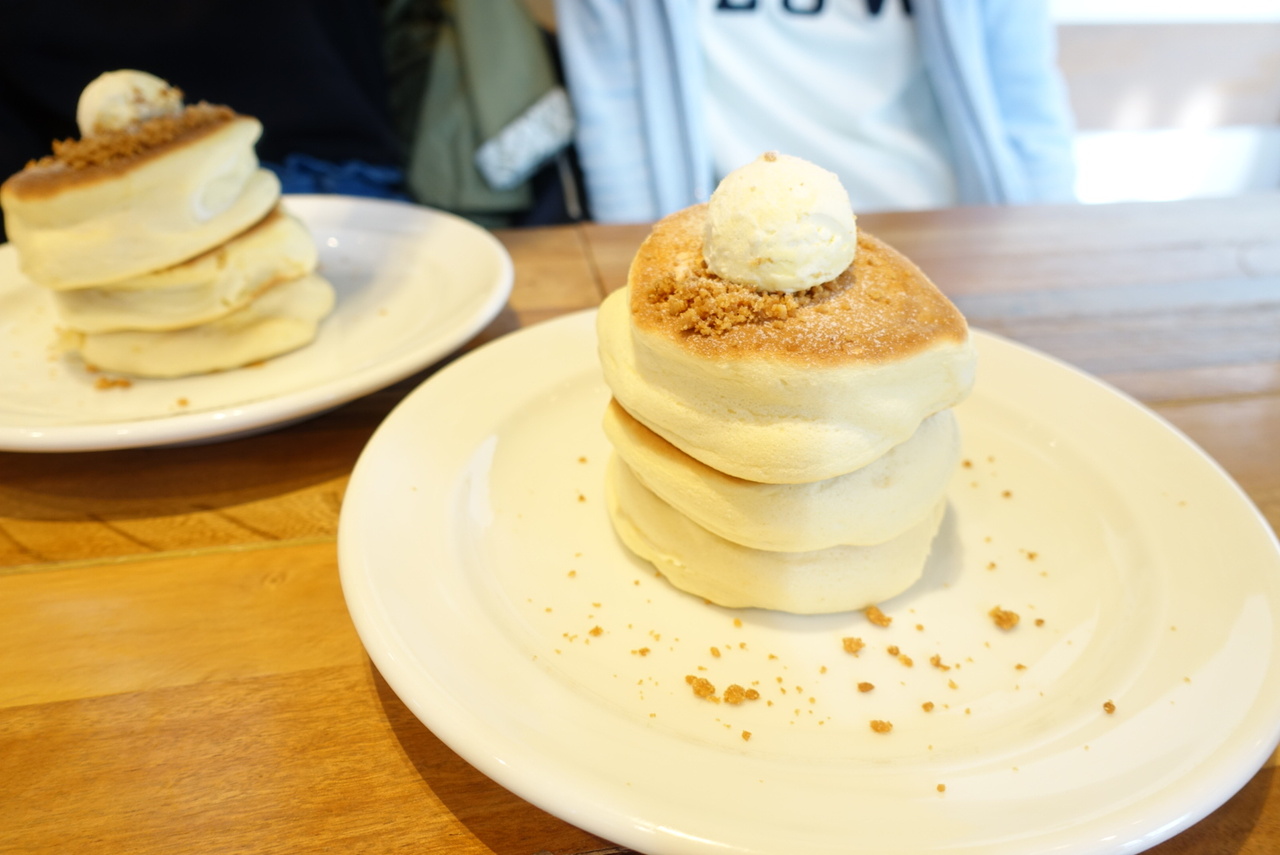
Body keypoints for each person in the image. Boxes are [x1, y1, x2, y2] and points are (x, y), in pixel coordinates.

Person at [553, 0, 1078, 223]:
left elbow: (1025, 103)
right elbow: (616, 121)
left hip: (940, 220)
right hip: (729, 238)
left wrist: (1045, 245)